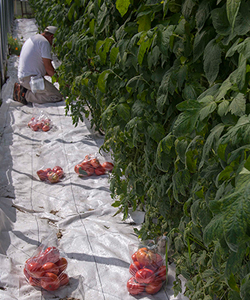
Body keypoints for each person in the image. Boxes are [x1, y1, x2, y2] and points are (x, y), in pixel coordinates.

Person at [13, 26, 63, 105]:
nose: (55, 44)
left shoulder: (35, 38)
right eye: (55, 41)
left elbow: (42, 68)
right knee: (56, 95)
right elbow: (49, 68)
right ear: (52, 37)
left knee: (49, 90)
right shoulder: (44, 43)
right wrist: (62, 82)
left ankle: (26, 89)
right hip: (30, 79)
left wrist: (55, 75)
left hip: (25, 77)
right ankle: (25, 94)